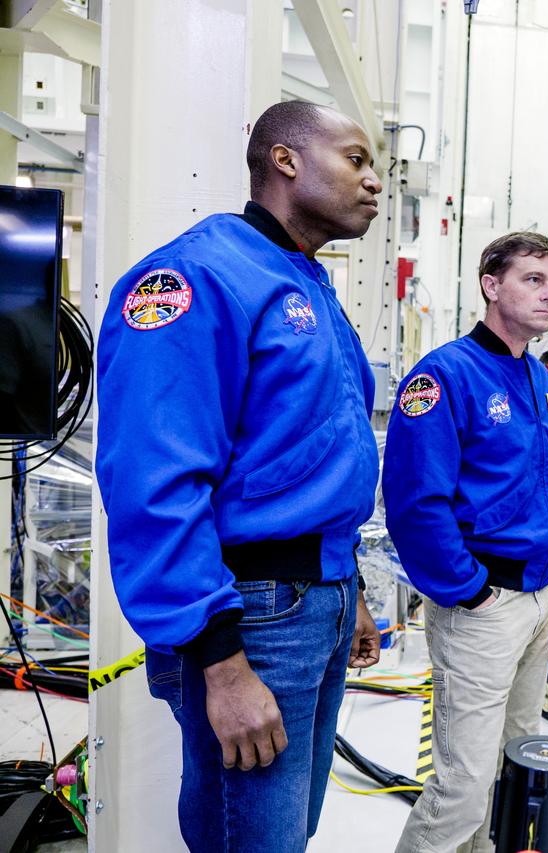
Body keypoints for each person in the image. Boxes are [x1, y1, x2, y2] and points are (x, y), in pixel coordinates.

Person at [96, 100, 384, 851]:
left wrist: (344, 583)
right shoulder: (195, 277)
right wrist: (220, 661)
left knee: (285, 836)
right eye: (356, 159)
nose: (375, 181)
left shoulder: (307, 283)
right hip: (253, 617)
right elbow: (155, 484)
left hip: (316, 600)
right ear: (285, 160)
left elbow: (309, 459)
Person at [383, 231, 548, 853]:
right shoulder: (445, 376)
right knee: (463, 788)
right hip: (484, 606)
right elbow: (416, 504)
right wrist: (469, 592)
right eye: (533, 279)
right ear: (491, 286)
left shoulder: (538, 377)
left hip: (539, 598)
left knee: (513, 762)